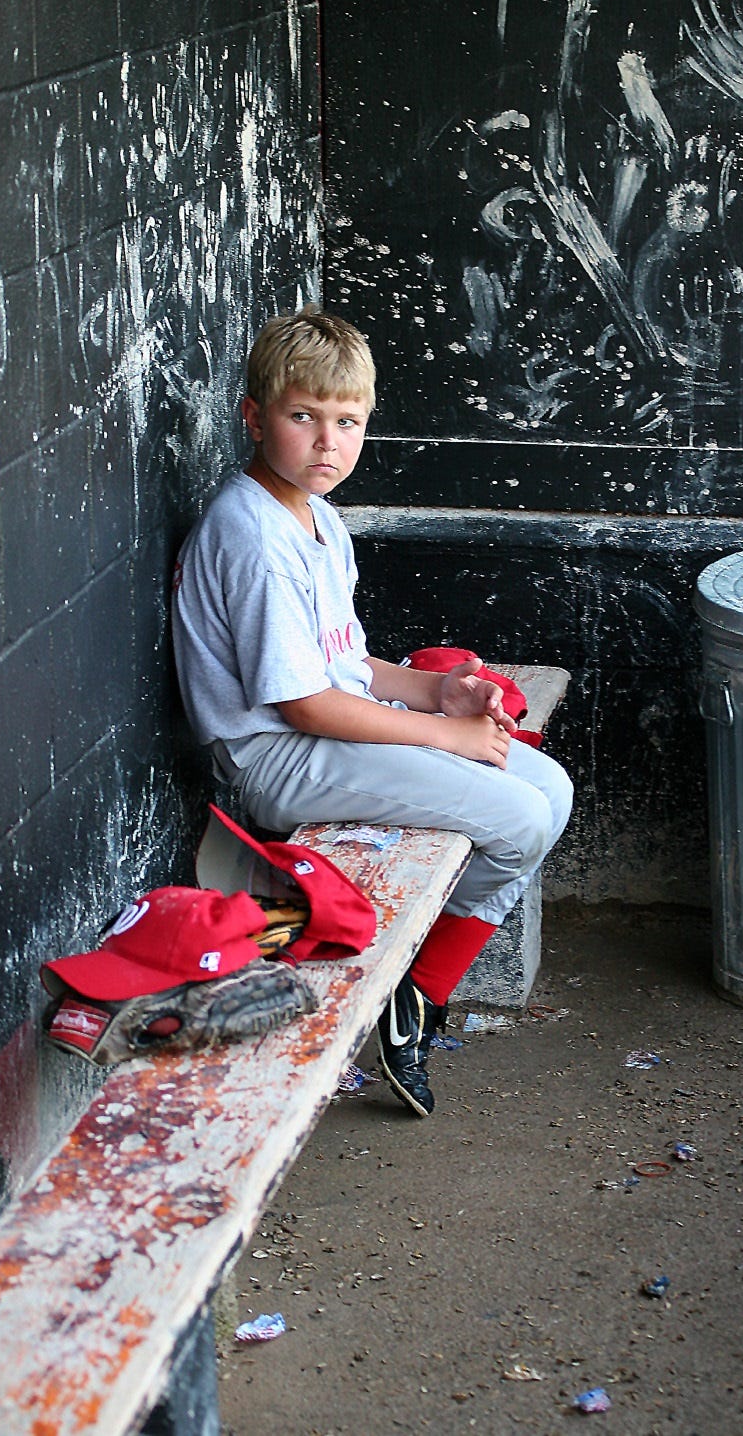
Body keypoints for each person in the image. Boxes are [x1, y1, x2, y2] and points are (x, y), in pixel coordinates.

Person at [172, 305, 573, 1116]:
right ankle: (419, 990)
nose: (328, 442)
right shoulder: (248, 534)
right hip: (275, 760)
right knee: (520, 822)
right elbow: (306, 704)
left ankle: (415, 996)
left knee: (551, 790)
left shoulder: (317, 517)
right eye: (303, 417)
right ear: (253, 418)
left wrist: (440, 691)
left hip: (333, 728)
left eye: (347, 421)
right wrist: (442, 734)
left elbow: (346, 667)